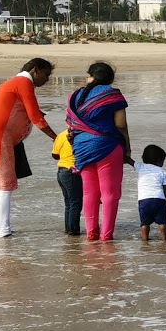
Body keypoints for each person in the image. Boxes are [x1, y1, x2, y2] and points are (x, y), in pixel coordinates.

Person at [0, 57, 57, 238]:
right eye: (46, 75)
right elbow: (36, 117)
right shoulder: (23, 82)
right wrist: (56, 138)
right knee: (4, 185)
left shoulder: (13, 82)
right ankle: (3, 231)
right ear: (35, 70)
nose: (47, 80)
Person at [66, 61, 133, 242]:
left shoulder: (76, 95)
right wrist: (127, 147)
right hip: (108, 146)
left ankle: (91, 234)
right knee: (110, 193)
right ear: (110, 78)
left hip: (82, 148)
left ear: (91, 76)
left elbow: (71, 124)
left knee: (90, 193)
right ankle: (106, 236)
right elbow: (120, 125)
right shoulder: (113, 95)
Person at [135, 143, 166, 243]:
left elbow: (128, 160)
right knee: (163, 223)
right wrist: (165, 200)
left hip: (144, 200)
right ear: (159, 160)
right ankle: (164, 240)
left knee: (144, 224)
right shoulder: (162, 172)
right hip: (159, 199)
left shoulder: (140, 167)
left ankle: (144, 240)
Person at [52, 127, 83, 237]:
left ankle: (69, 229)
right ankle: (73, 231)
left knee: (69, 203)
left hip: (61, 171)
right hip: (72, 171)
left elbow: (55, 155)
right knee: (75, 203)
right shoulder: (80, 135)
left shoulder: (60, 135)